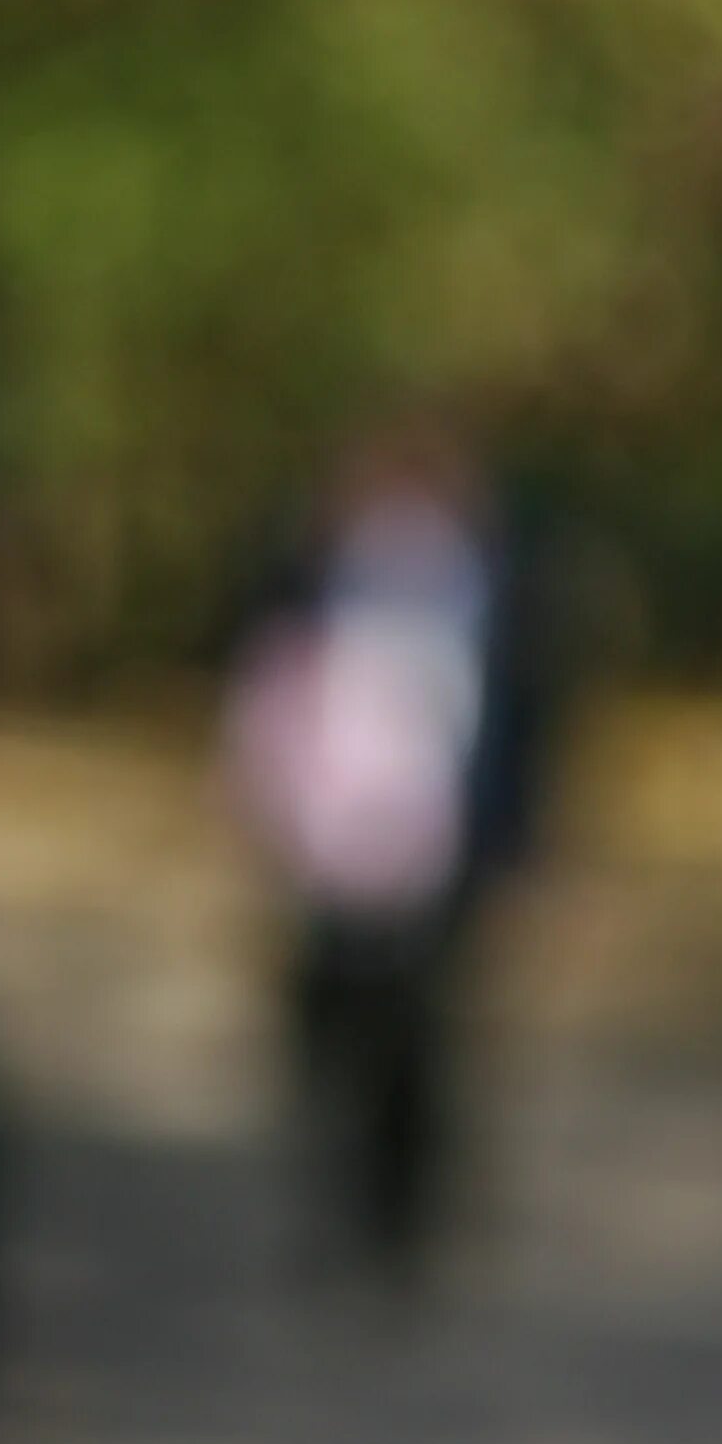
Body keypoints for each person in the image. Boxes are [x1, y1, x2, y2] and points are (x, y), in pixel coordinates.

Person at [224, 431, 549, 1278]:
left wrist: (516, 846)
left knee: (420, 1036)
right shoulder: (309, 578)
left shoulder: (493, 586)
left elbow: (522, 726)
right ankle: (342, 1198)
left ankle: (401, 1219)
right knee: (329, 1024)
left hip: (442, 851)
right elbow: (268, 699)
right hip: (329, 847)